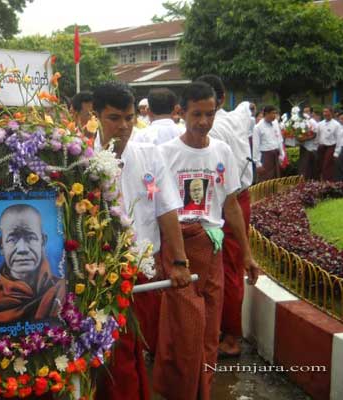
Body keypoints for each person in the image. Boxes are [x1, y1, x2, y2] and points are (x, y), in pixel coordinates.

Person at [155, 82, 259, 400]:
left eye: (209, 114)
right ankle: (180, 392)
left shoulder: (221, 151)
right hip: (179, 250)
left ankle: (205, 392)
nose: (203, 121)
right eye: (196, 114)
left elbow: (230, 205)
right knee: (186, 333)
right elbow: (158, 208)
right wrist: (174, 258)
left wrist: (247, 255)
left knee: (210, 334)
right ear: (181, 112)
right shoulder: (165, 154)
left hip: (212, 248)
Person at [92, 82, 191, 400]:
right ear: (96, 116)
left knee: (134, 350)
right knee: (113, 356)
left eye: (129, 118)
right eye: (114, 118)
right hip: (96, 278)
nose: (123, 127)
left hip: (144, 273)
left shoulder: (151, 155)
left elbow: (166, 211)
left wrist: (178, 262)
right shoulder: (76, 159)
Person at [197, 74, 254, 357]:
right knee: (221, 268)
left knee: (228, 270)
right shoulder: (237, 117)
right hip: (239, 195)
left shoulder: (214, 130)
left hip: (226, 200)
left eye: (206, 110)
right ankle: (219, 330)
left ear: (216, 101)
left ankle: (230, 338)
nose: (202, 120)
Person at [0, 204, 65, 323]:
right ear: (1, 246)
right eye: (12, 239)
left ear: (42, 242)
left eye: (30, 238)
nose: (22, 249)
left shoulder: (62, 291)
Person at [253, 105, 284, 181]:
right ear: (266, 114)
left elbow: (279, 139)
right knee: (265, 181)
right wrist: (257, 163)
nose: (275, 116)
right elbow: (255, 146)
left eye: (275, 113)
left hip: (275, 155)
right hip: (265, 157)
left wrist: (282, 154)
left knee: (276, 180)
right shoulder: (258, 127)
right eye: (273, 113)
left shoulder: (276, 123)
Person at [317, 107, 341, 181]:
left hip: (331, 147)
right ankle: (321, 182)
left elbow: (339, 139)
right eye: (324, 112)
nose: (325, 114)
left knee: (327, 166)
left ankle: (327, 184)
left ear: (331, 113)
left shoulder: (336, 125)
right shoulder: (320, 124)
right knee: (320, 165)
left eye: (327, 112)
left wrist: (336, 152)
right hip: (321, 147)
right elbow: (318, 136)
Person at [299, 107, 319, 180]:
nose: (305, 113)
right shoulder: (303, 121)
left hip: (311, 148)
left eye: (307, 112)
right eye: (304, 112)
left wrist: (304, 139)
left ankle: (310, 184)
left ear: (311, 113)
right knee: (304, 167)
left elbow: (314, 134)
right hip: (304, 146)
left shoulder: (312, 122)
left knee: (309, 168)